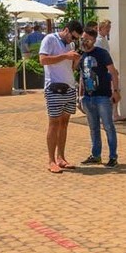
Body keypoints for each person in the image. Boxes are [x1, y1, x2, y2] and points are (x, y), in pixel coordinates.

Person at [38, 19, 84, 174]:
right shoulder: (50, 39)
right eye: (73, 37)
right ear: (66, 30)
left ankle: (61, 158)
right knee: (54, 123)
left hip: (69, 87)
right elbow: (43, 60)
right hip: (54, 87)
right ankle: (51, 161)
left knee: (64, 124)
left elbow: (70, 68)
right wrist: (65, 56)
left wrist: (76, 61)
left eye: (76, 38)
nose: (74, 40)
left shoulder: (70, 46)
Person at [76, 30, 120, 167]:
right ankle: (96, 155)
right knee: (93, 128)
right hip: (88, 97)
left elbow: (113, 72)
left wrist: (116, 91)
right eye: (82, 39)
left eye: (87, 40)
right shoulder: (81, 56)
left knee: (108, 126)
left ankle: (113, 157)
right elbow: (82, 76)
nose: (84, 42)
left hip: (102, 96)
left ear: (94, 40)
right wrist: (80, 96)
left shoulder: (102, 53)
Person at [95, 19, 126, 121]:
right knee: (110, 91)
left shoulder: (103, 40)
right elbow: (101, 58)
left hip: (106, 69)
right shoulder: (99, 41)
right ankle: (110, 114)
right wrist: (111, 70)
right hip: (104, 71)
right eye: (106, 28)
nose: (108, 30)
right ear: (100, 29)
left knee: (114, 90)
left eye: (109, 28)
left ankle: (114, 114)